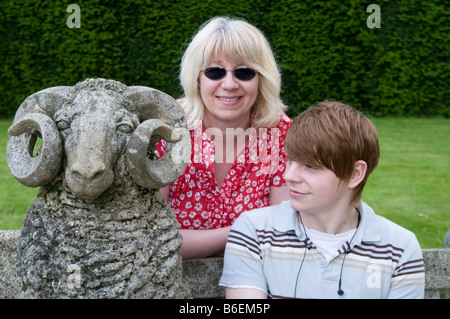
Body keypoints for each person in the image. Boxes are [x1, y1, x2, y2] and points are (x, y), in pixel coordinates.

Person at [219, 101, 425, 299]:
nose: (289, 176)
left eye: (310, 166)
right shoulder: (254, 231)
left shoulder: (399, 248)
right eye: (290, 160)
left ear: (354, 173)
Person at [159, 16, 292, 259]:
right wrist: (240, 233)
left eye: (244, 72)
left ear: (262, 78)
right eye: (214, 71)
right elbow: (153, 240)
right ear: (197, 78)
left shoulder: (282, 135)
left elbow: (282, 237)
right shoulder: (166, 133)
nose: (229, 84)